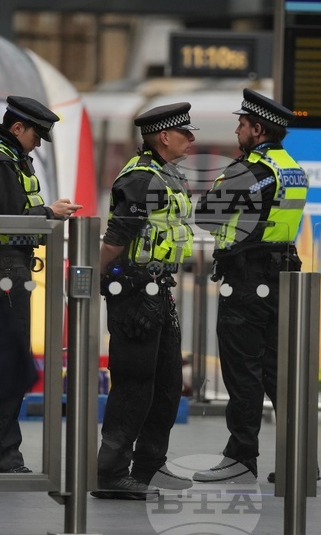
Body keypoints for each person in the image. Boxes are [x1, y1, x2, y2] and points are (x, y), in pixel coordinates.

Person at [192, 89, 308, 484]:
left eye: (242, 124)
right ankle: (299, 459)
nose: (237, 130)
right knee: (278, 373)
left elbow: (206, 216)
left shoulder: (250, 171)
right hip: (282, 280)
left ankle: (241, 459)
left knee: (243, 374)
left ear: (258, 129)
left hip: (246, 281)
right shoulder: (291, 167)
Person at [0, 95, 82, 473]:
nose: (37, 144)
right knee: (7, 362)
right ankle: (3, 457)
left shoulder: (7, 158)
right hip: (2, 269)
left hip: (4, 268)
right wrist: (50, 212)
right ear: (17, 127)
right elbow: (10, 218)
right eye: (35, 136)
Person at [92, 102, 197, 500]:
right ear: (164, 137)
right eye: (185, 133)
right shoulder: (140, 178)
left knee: (167, 386)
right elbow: (115, 240)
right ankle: (111, 473)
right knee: (134, 385)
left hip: (157, 291)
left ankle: (150, 467)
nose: (192, 139)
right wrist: (93, 275)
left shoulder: (166, 175)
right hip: (134, 294)